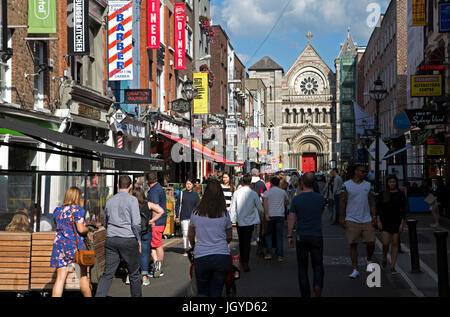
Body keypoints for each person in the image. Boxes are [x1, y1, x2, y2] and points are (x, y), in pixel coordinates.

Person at [95, 176, 142, 297]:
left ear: (117, 186)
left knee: (108, 273)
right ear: (130, 186)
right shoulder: (132, 200)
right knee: (134, 274)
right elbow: (136, 223)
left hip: (112, 238)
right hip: (128, 238)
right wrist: (138, 239)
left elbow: (105, 220)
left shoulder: (110, 200)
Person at [188, 178, 232, 297]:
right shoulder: (224, 213)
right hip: (221, 256)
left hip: (202, 255)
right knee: (216, 291)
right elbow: (229, 236)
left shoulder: (196, 212)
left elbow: (190, 235)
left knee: (202, 291)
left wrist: (194, 245)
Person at [288, 173, 325, 297]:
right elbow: (321, 211)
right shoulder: (320, 198)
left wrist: (289, 235)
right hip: (316, 235)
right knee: (318, 264)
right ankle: (317, 284)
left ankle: (305, 294)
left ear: (302, 183)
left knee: (302, 267)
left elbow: (292, 218)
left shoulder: (296, 199)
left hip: (301, 235)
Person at [50, 187, 92, 297]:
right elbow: (81, 229)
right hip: (74, 246)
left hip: (59, 246)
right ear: (77, 197)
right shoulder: (78, 210)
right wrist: (89, 229)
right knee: (83, 275)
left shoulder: (57, 211)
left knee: (60, 278)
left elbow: (58, 227)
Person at [339, 164, 377, 279]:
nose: (365, 173)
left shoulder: (368, 185)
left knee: (371, 242)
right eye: (362, 171)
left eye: (365, 172)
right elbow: (342, 201)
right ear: (356, 171)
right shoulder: (346, 185)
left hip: (366, 218)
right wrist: (342, 217)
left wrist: (374, 216)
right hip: (352, 218)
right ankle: (355, 268)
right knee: (353, 244)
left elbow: (372, 201)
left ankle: (369, 258)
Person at [230, 174, 264, 272]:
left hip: (239, 220)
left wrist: (232, 219)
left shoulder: (236, 193)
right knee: (247, 241)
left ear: (242, 182)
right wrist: (263, 216)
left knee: (241, 240)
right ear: (250, 183)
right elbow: (260, 207)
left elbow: (233, 207)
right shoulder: (253, 193)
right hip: (250, 221)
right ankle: (245, 261)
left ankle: (242, 258)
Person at [132, 188, 164, 286]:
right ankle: (144, 278)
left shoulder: (131, 205)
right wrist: (152, 220)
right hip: (146, 231)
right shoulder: (148, 204)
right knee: (145, 254)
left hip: (134, 231)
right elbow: (161, 211)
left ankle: (130, 276)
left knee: (132, 254)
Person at [377, 175, 407, 274]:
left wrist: (402, 224)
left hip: (396, 221)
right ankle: (384, 257)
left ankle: (393, 266)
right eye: (390, 182)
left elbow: (404, 210)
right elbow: (378, 209)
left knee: (395, 244)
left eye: (394, 182)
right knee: (385, 243)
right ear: (387, 183)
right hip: (385, 221)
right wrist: (378, 221)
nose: (392, 183)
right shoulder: (383, 194)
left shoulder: (400, 194)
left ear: (396, 183)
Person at [262, 176, 290, 261]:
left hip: (270, 215)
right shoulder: (283, 192)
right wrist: (281, 205)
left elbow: (265, 204)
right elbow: (287, 202)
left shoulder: (267, 192)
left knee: (269, 235)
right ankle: (280, 255)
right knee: (279, 235)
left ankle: (269, 253)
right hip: (280, 215)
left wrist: (266, 214)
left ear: (271, 183)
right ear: (278, 183)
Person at [146, 172, 167, 278]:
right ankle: (156, 265)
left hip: (157, 222)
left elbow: (155, 207)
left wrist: (153, 221)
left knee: (157, 244)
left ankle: (158, 267)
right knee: (154, 244)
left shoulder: (154, 191)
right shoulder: (159, 188)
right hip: (161, 221)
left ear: (147, 181)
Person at [175, 179, 200, 256]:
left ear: (193, 185)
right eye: (187, 184)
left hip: (193, 217)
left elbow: (198, 206)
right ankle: (186, 249)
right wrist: (177, 216)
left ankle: (191, 248)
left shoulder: (195, 195)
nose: (188, 185)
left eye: (190, 184)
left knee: (192, 234)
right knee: (185, 234)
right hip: (183, 216)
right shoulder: (182, 193)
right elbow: (177, 205)